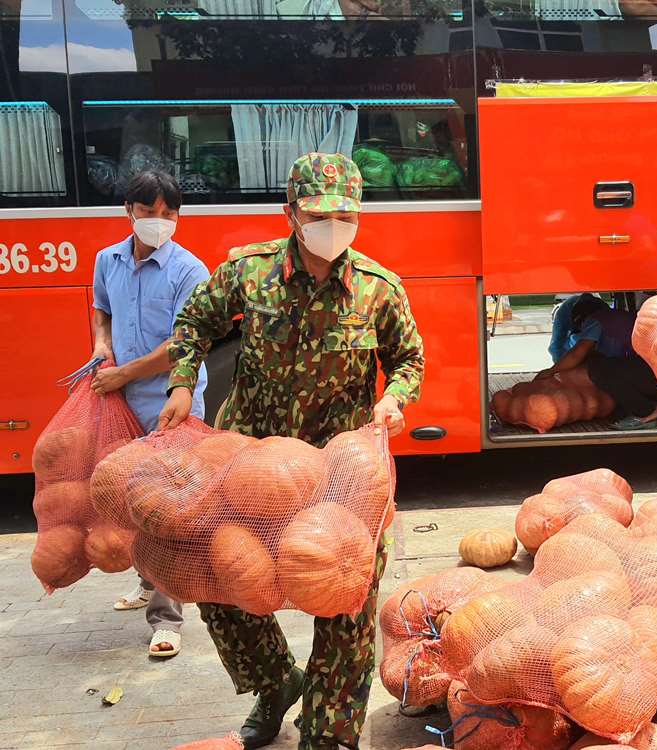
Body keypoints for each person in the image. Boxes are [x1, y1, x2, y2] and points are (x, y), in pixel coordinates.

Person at [157, 152, 425, 750]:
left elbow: (408, 358)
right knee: (218, 584)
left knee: (347, 609)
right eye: (320, 213)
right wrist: (181, 383)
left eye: (346, 214)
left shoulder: (380, 291)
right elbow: (194, 320)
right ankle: (276, 683)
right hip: (250, 474)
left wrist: (395, 399)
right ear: (290, 213)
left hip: (343, 482)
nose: (335, 225)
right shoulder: (247, 274)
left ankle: (328, 737)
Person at [90, 169, 209, 659]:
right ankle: (147, 580)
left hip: (171, 402)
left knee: (169, 510)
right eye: (149, 213)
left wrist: (125, 373)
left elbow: (182, 345)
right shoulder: (107, 260)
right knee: (131, 501)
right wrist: (102, 347)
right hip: (121, 403)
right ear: (128, 212)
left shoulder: (189, 270)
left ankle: (168, 618)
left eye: (169, 214)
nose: (159, 222)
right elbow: (101, 309)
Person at [536, 296, 657, 429]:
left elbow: (577, 353)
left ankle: (646, 413)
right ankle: (646, 403)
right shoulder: (617, 318)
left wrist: (551, 371)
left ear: (580, 318)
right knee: (607, 366)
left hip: (650, 373)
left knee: (598, 370)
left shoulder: (596, 321)